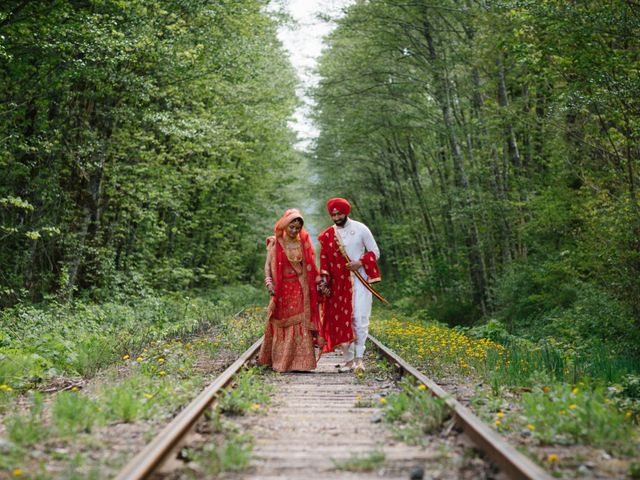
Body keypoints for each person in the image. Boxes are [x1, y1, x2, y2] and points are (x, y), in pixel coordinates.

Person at [318, 198, 381, 372]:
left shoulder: (361, 229)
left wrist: (360, 262)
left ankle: (359, 359)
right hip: (338, 284)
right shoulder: (327, 236)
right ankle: (348, 360)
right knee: (341, 321)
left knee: (359, 319)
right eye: (333, 214)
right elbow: (324, 262)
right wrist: (323, 282)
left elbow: (375, 252)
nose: (336, 217)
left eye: (339, 214)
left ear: (347, 212)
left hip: (359, 281)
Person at [258, 208, 324, 372]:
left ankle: (301, 363)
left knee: (301, 321)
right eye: (291, 227)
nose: (294, 231)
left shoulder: (303, 243)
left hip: (301, 289)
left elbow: (310, 267)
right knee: (279, 321)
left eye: (297, 228)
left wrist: (318, 282)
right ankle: (280, 361)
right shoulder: (276, 242)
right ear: (285, 225)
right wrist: (268, 283)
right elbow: (267, 265)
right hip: (281, 290)